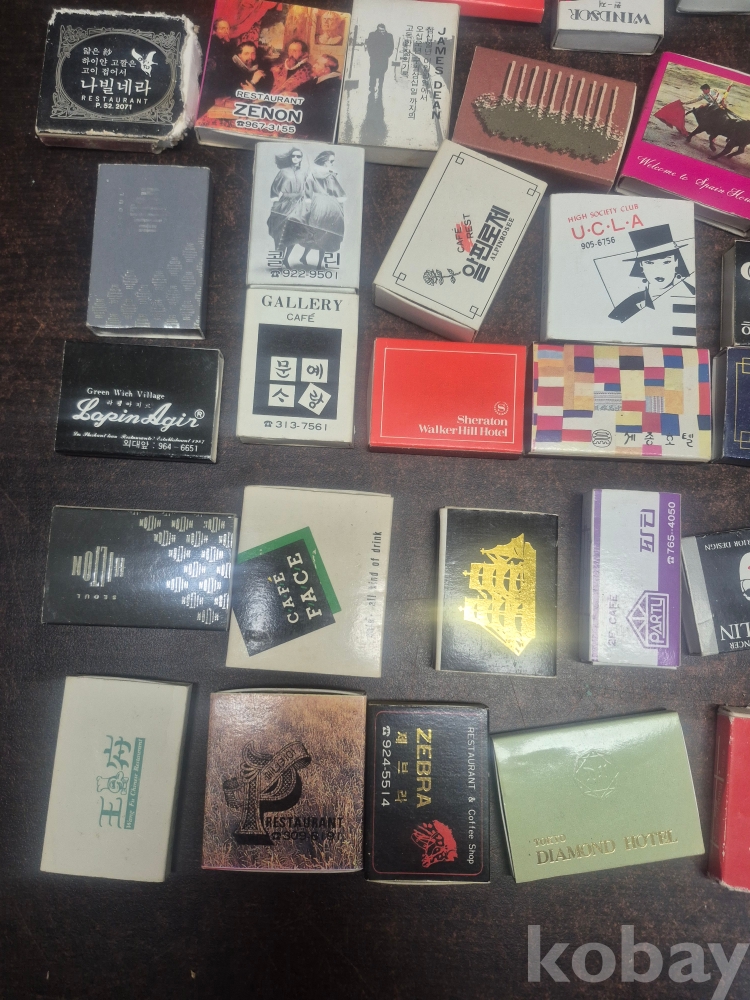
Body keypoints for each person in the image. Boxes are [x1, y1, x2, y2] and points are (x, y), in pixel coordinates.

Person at [608, 225, 695, 324]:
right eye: (649, 263)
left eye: (666, 262)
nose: (659, 270)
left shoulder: (693, 293)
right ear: (641, 265)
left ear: (677, 262)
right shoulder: (630, 304)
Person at [266, 147, 311, 268]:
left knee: (294, 232)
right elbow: (275, 188)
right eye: (293, 156)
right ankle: (277, 261)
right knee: (280, 232)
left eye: (298, 156)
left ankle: (286, 259)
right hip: (285, 203)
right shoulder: (283, 172)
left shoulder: (304, 172)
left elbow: (308, 187)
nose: (295, 158)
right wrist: (275, 202)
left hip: (299, 205)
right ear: (290, 157)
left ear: (301, 158)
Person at [301, 151, 346, 267]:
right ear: (325, 161)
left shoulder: (312, 173)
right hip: (330, 206)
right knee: (326, 234)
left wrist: (308, 205)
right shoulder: (330, 175)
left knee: (314, 232)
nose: (332, 163)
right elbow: (337, 192)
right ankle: (318, 264)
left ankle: (304, 257)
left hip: (316, 204)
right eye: (331, 161)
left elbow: (308, 191)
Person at [294, 55, 342, 139]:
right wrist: (295, 94)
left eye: (317, 64)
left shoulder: (333, 85)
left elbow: (315, 106)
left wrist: (294, 102)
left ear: (326, 70)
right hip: (308, 117)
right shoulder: (319, 78)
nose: (314, 65)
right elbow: (301, 89)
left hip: (318, 129)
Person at [199, 18, 236, 113]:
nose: (226, 31)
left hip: (221, 79)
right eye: (222, 28)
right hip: (210, 78)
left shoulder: (227, 43)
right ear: (215, 31)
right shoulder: (212, 41)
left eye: (227, 28)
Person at [365, 23, 394, 99]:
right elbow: (369, 45)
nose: (381, 32)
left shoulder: (389, 36)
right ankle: (371, 87)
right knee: (373, 72)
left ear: (385, 29)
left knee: (382, 71)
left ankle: (380, 86)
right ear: (377, 29)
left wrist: (387, 55)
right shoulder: (372, 35)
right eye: (380, 30)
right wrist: (371, 54)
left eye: (382, 30)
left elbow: (391, 46)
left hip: (384, 58)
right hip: (374, 57)